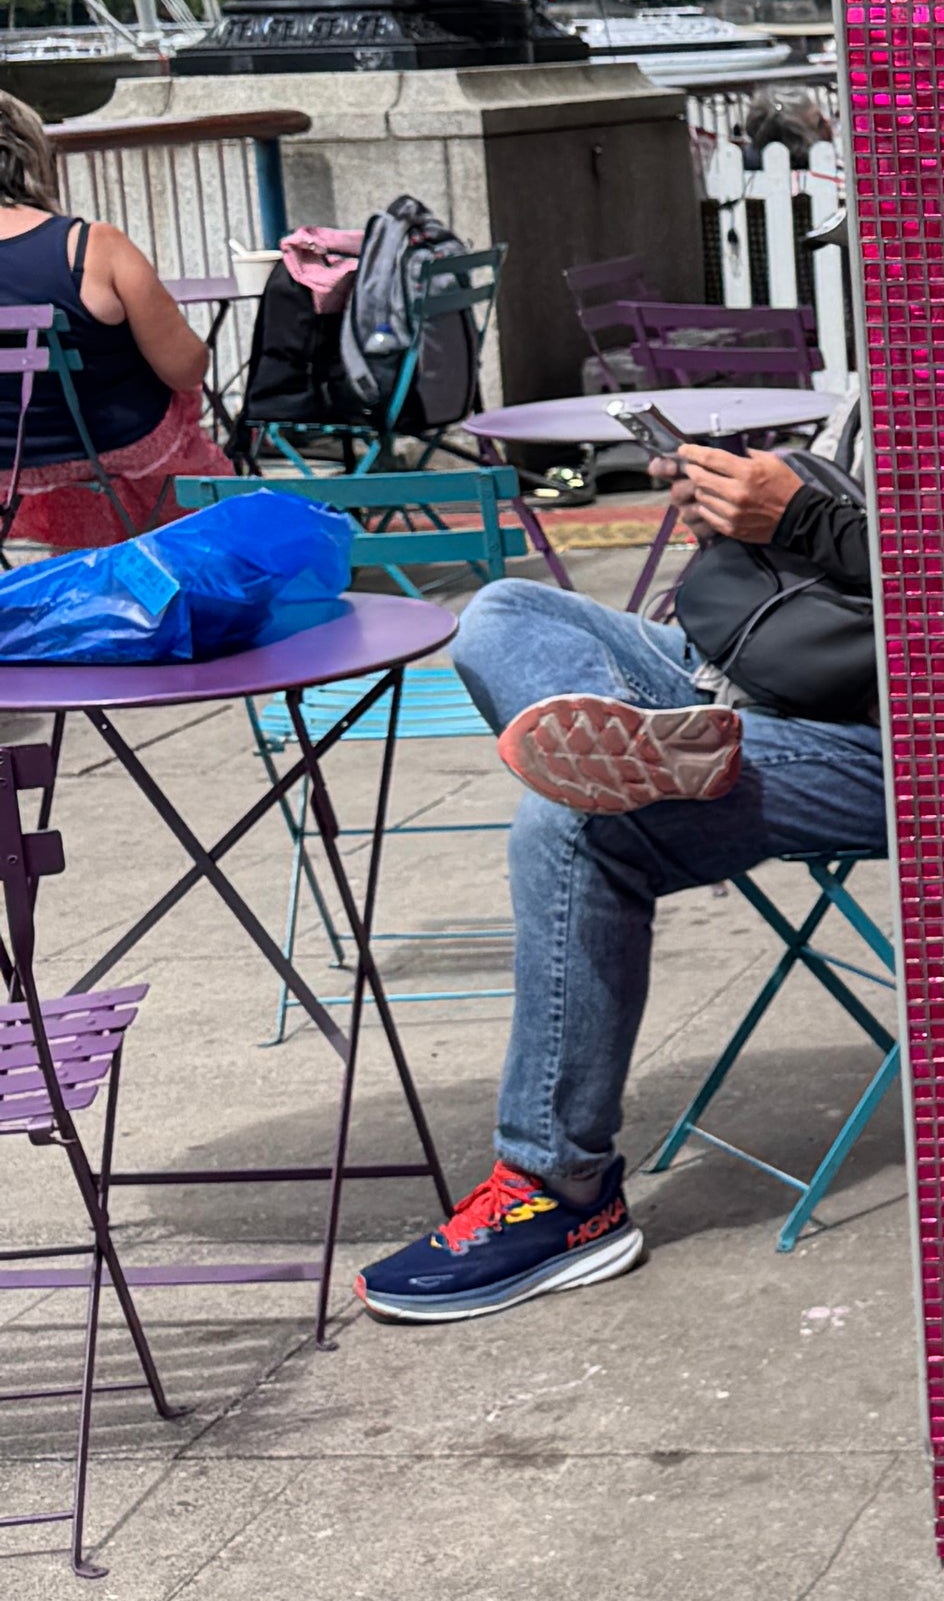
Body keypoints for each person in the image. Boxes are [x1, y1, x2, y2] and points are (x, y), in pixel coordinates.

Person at [357, 432, 885, 1322]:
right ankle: (638, 746)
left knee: (570, 823)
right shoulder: (905, 337)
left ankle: (562, 1196)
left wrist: (799, 515)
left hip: (901, 738)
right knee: (505, 605)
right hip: (744, 670)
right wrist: (738, 505)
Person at [0, 93, 230, 542]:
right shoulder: (92, 246)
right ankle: (155, 568)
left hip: (5, 458)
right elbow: (187, 368)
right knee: (170, 400)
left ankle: (80, 563)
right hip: (115, 440)